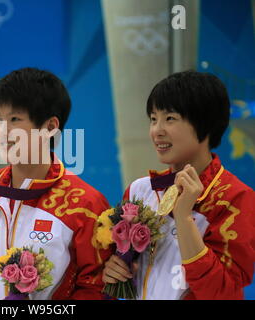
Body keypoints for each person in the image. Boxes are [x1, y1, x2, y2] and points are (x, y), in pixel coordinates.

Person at [0, 67, 111, 300]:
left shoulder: (84, 204)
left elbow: (97, 291)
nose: (2, 131)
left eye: (15, 119)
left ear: (50, 127)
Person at [102, 70, 254, 300]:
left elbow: (221, 292)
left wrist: (183, 218)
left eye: (170, 118)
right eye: (153, 119)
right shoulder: (139, 190)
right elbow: (125, 271)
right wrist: (115, 269)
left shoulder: (235, 198)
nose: (157, 131)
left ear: (206, 124)